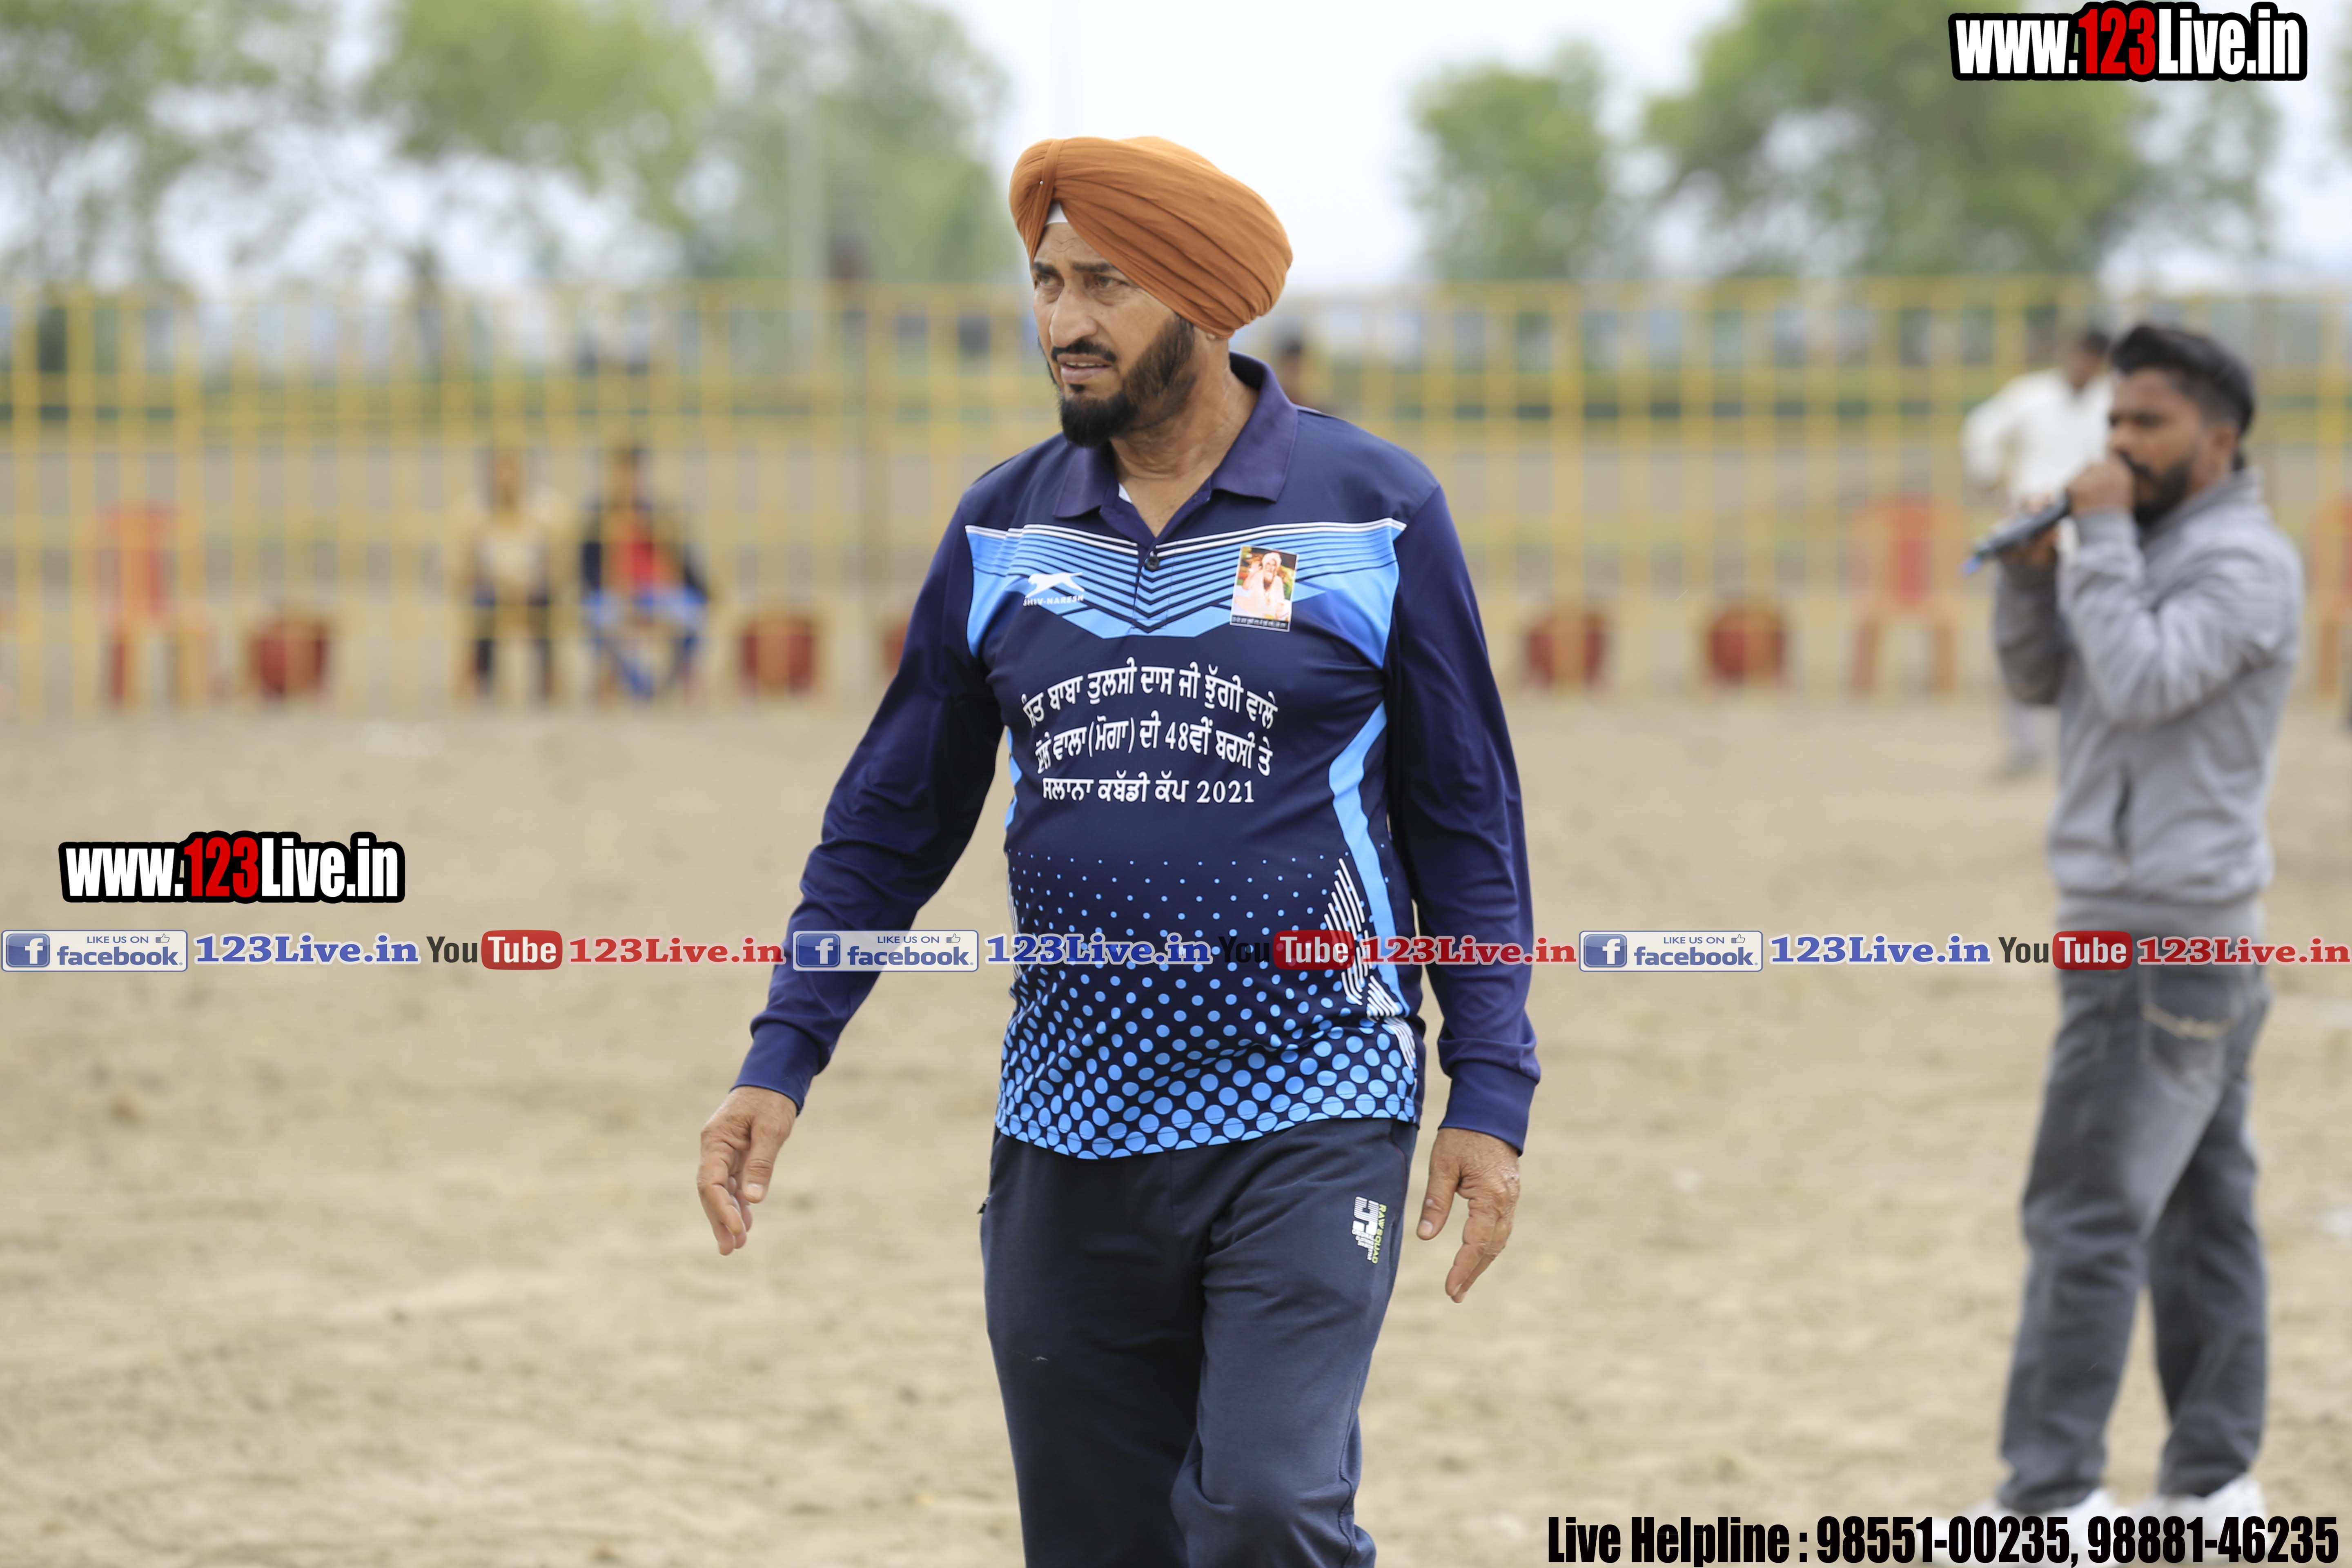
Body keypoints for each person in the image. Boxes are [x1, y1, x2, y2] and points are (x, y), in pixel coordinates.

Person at [695, 134, 1539, 1567]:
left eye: (1106, 285)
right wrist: (783, 1055)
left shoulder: (1376, 512)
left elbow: (1466, 817)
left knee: (1267, 1505)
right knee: (1099, 1543)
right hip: (1067, 1118)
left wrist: (1493, 1085)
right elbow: (892, 821)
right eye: (1047, 282)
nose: (1065, 321)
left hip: (1313, 1093)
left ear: (1204, 303)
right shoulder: (1004, 526)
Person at [1971, 325, 2301, 1531]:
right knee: (2201, 1216)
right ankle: (2211, 1488)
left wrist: (2099, 541)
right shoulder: (2144, 546)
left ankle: (2048, 1502)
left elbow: (2146, 678)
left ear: (2219, 436)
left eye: (2146, 423)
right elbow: (2047, 683)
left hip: (2160, 939)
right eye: (2112, 422)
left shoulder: (2246, 563)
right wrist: (2031, 576)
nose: (2118, 445)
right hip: (2153, 929)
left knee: (2084, 1214)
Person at [1964, 327, 2113, 774]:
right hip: (2032, 542)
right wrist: (1989, 476)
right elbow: (1981, 429)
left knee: (2090, 646)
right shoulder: (2031, 396)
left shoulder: (2112, 402)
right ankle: (2024, 748)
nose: (2083, 367)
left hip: (2091, 543)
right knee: (2022, 641)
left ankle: (2084, 746)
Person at [577, 443, 708, 699]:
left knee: (691, 614)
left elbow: (681, 560)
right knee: (599, 617)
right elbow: (588, 567)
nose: (629, 479)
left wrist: (692, 587)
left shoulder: (660, 512)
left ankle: (670, 680)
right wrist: (614, 587)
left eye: (634, 471)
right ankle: (634, 683)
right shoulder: (600, 516)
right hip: (616, 592)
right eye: (624, 471)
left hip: (659, 590)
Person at [460, 448, 562, 702]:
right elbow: (466, 567)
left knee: (546, 605)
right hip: (492, 588)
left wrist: (528, 585)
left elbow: (555, 564)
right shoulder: (473, 512)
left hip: (532, 588)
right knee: (483, 606)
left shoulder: (544, 511)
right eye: (499, 469)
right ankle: (483, 682)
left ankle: (547, 682)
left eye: (510, 469)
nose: (504, 477)